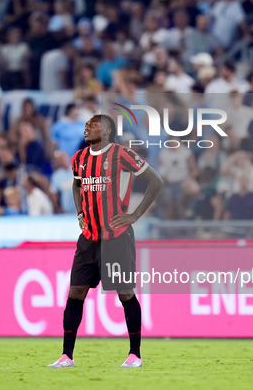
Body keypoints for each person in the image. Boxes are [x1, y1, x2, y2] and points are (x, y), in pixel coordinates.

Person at [49, 114, 163, 369]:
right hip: (88, 238)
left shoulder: (122, 154)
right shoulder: (79, 158)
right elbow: (77, 186)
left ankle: (135, 355)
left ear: (108, 130)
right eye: (87, 125)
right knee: (75, 292)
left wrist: (134, 215)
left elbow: (156, 181)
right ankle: (67, 355)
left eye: (94, 125)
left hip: (116, 237)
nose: (88, 128)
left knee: (125, 294)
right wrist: (80, 213)